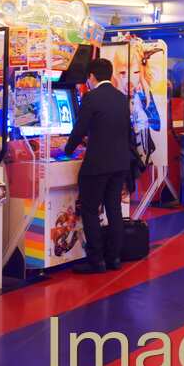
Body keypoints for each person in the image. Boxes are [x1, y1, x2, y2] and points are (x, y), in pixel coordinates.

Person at [64, 58, 133, 274]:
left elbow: (80, 128)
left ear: (92, 76)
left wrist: (67, 149)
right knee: (113, 210)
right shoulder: (122, 98)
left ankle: (96, 261)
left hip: (97, 165)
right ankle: (114, 258)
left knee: (90, 210)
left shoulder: (91, 97)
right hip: (120, 163)